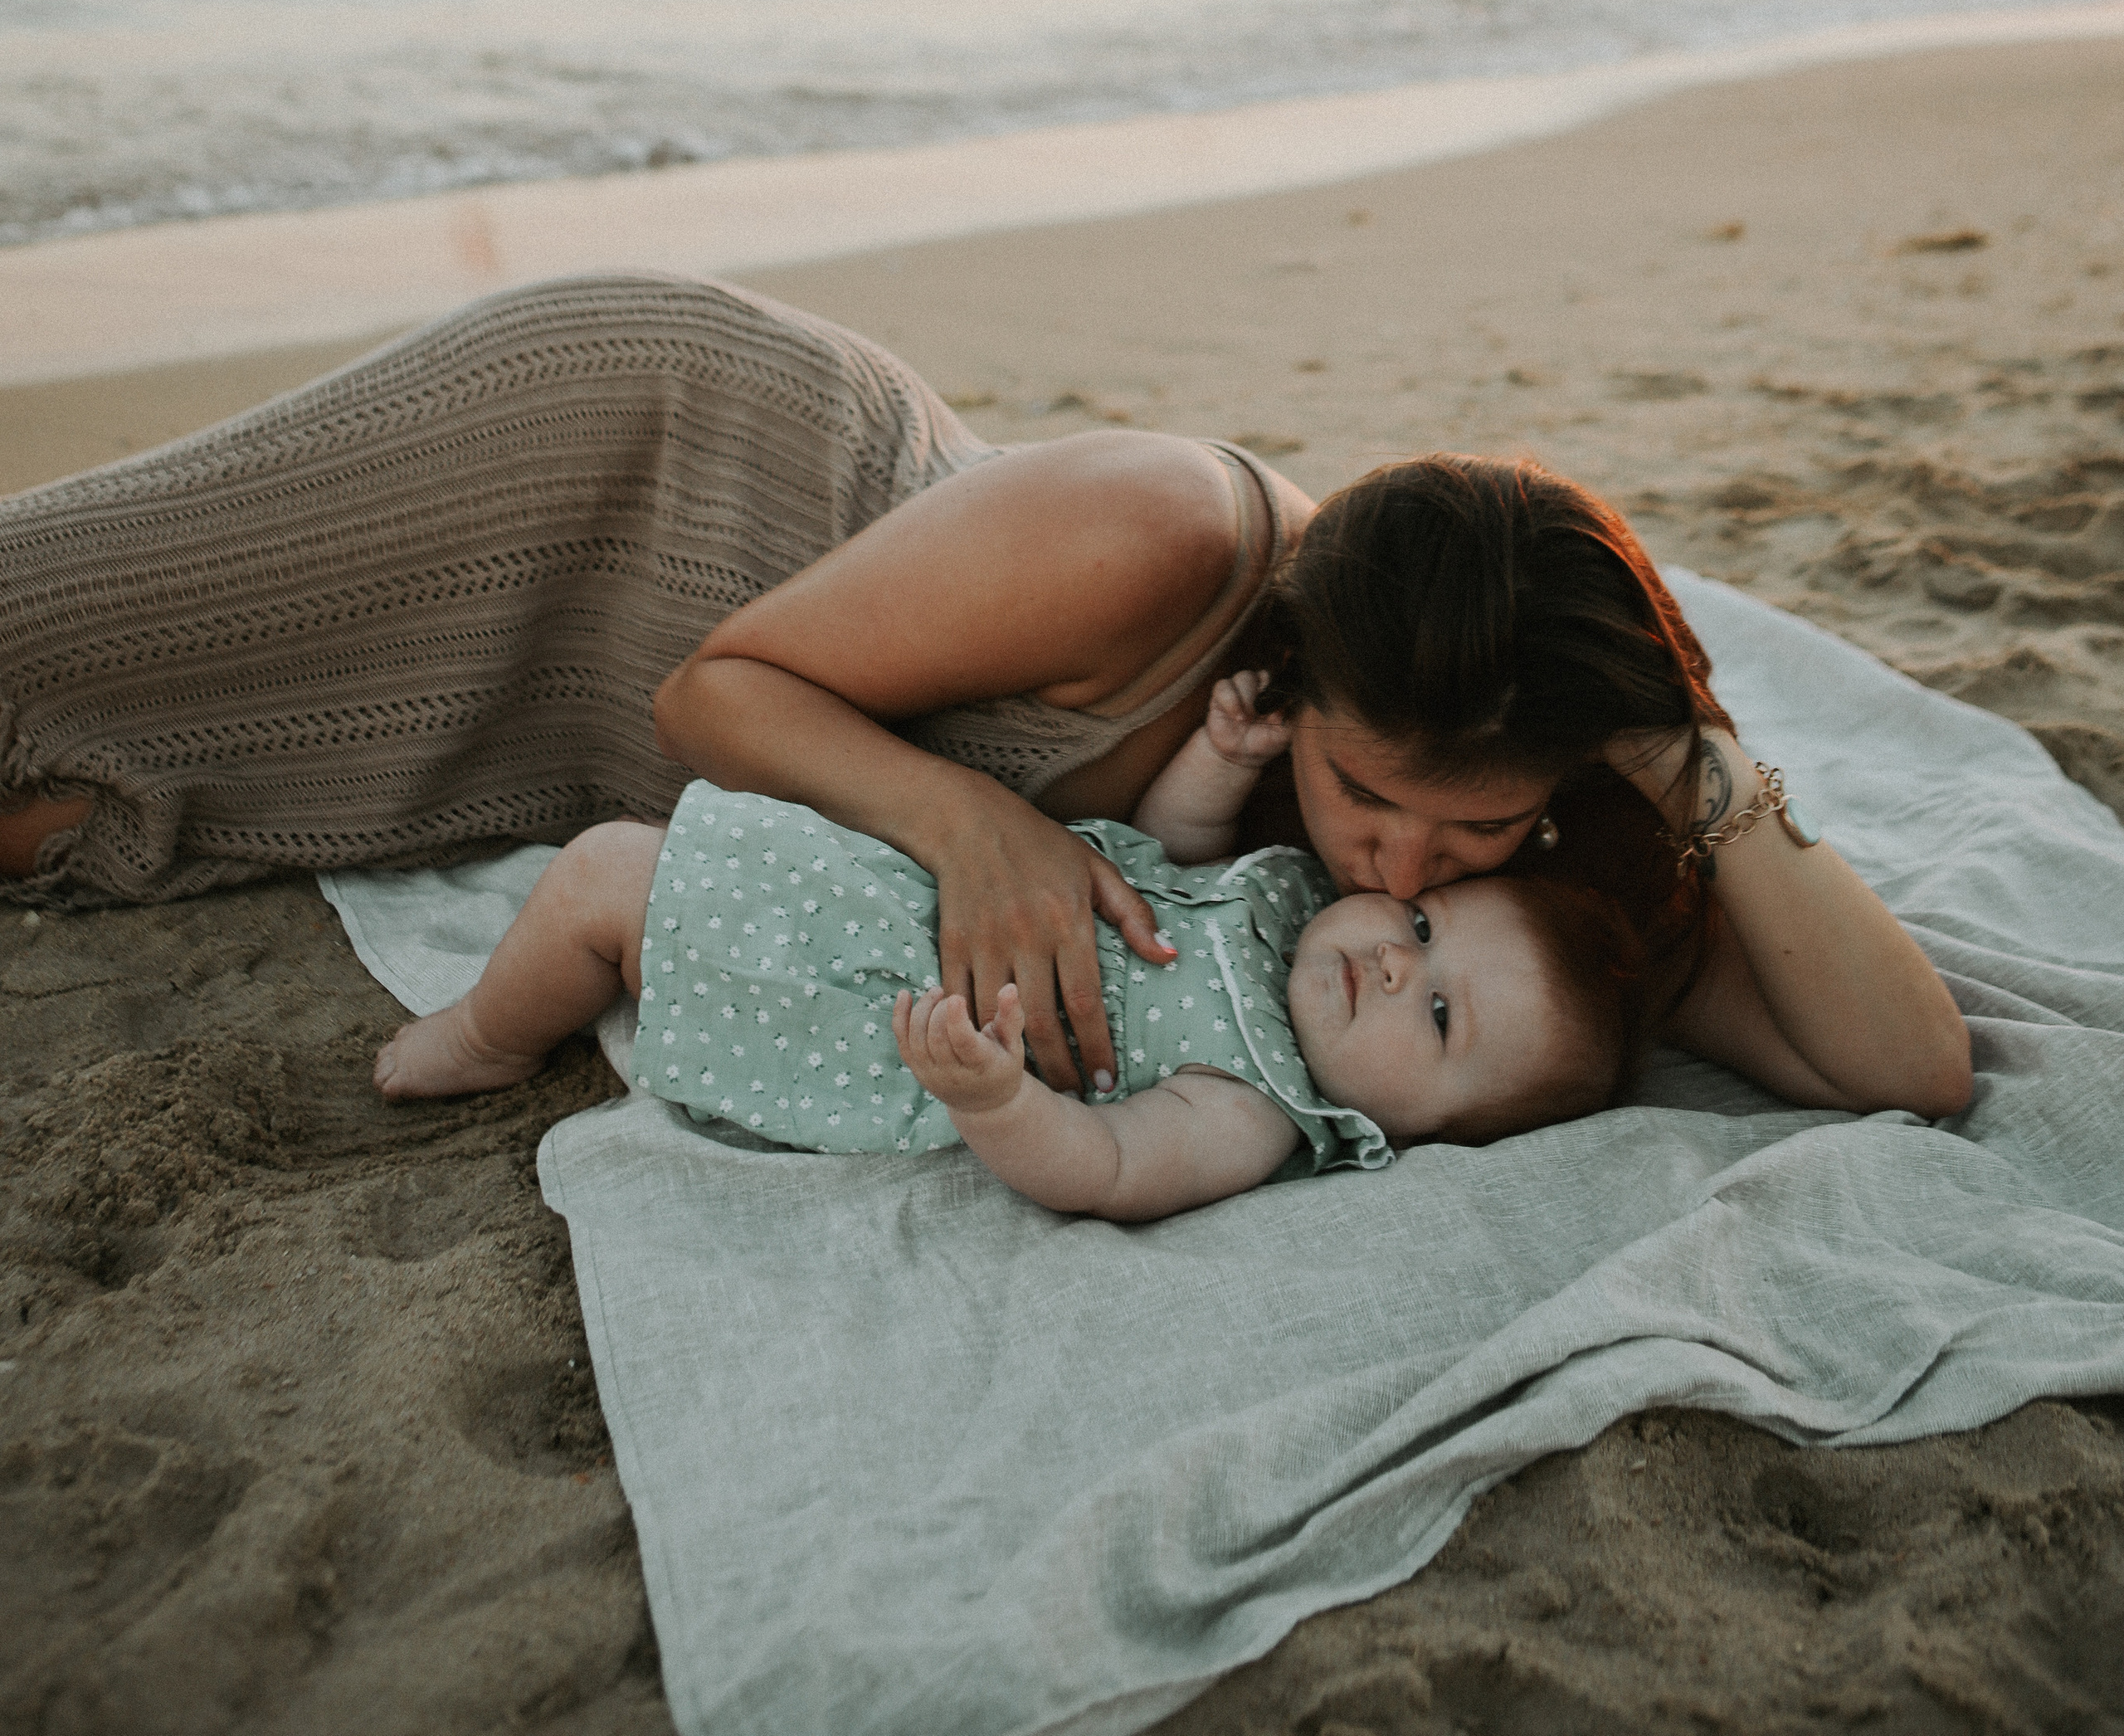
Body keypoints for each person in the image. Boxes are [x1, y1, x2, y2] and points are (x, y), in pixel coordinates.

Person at [0, 274, 1970, 1119]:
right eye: (1376, 795)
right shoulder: (1157, 541)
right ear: (1299, 673)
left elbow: (1905, 1075)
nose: (1403, 858)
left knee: (96, 808)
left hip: (577, 734)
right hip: (649, 458)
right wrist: (977, 822)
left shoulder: (1521, 813)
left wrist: (1699, 767)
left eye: (1479, 833)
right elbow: (718, 691)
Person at [371, 674, 1647, 1220]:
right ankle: (510, 1005)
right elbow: (1159, 852)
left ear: (1409, 1136)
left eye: (1435, 1018)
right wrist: (1222, 758)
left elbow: (1101, 1166)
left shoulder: (1256, 1108)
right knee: (621, 862)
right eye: (1422, 931)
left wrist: (990, 1095)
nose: (1391, 963)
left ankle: (490, 1034)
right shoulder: (1291, 899)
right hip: (909, 886)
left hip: (889, 1003)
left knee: (606, 880)